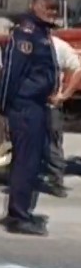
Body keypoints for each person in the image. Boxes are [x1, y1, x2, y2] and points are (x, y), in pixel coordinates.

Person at [0, 0, 62, 236]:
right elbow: (12, 73)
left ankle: (18, 210)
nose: (51, 10)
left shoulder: (41, 32)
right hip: (25, 107)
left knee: (30, 162)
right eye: (47, 5)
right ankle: (19, 216)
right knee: (26, 162)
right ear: (34, 3)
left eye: (55, 7)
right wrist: (4, 108)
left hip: (36, 105)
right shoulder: (25, 33)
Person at [45, 23, 81, 198]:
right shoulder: (25, 44)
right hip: (27, 105)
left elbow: (77, 69)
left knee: (53, 144)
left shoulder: (59, 46)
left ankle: (55, 180)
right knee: (23, 144)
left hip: (51, 104)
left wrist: (64, 95)